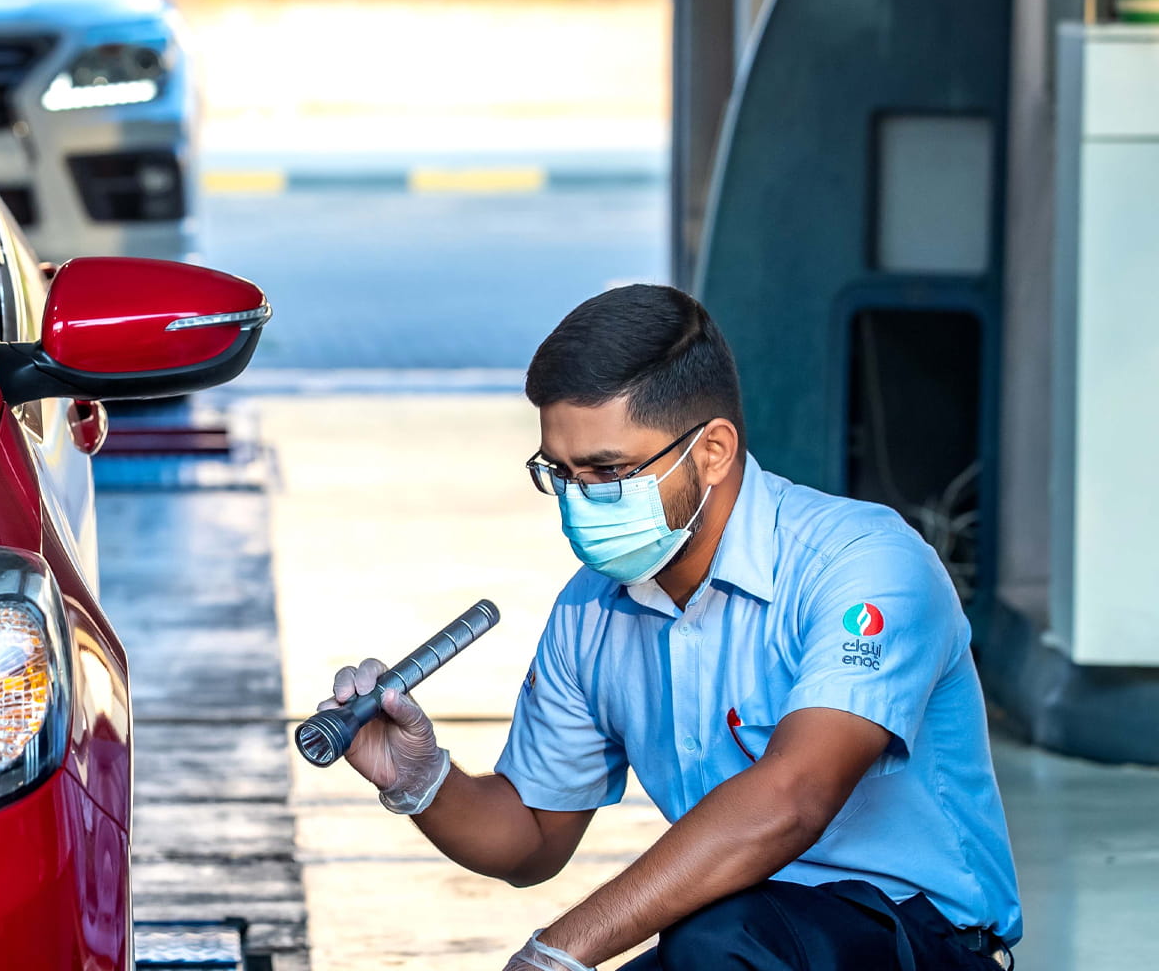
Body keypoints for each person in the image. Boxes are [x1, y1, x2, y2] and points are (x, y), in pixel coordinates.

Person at [322, 285, 1020, 970]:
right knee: (713, 939)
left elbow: (794, 796)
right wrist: (422, 780)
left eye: (609, 471)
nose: (580, 500)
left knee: (714, 939)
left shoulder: (863, 563)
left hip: (917, 942)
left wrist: (559, 950)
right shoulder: (592, 611)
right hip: (738, 939)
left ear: (713, 450)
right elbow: (532, 840)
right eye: (559, 473)